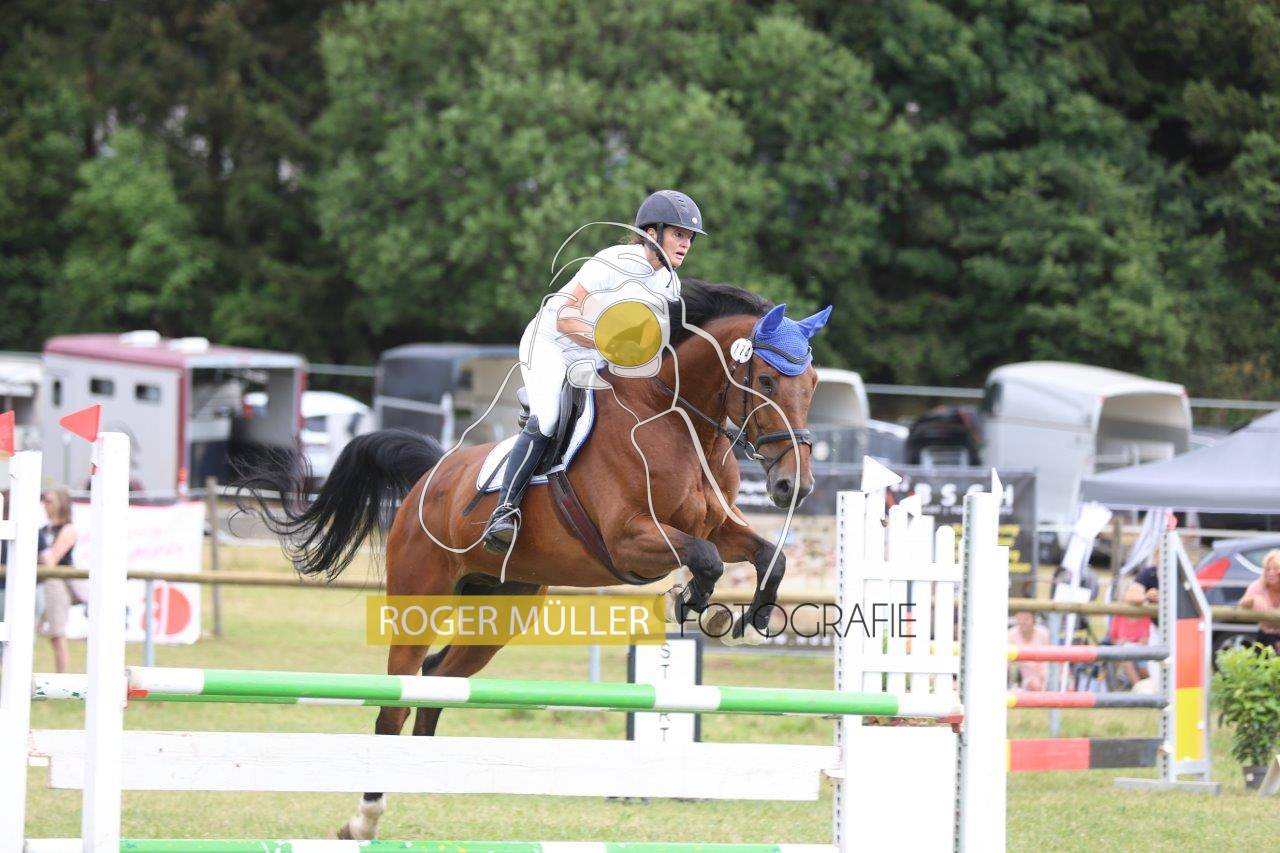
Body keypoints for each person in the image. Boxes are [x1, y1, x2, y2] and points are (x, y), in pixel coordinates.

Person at [482, 189, 706, 554]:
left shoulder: (669, 284)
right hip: (551, 344)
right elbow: (566, 318)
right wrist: (613, 345)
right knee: (549, 418)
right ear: (652, 233)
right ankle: (504, 511)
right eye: (679, 234)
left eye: (690, 237)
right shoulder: (612, 262)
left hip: (596, 356)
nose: (686, 244)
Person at [37, 488, 80, 673]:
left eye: (49, 501)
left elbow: (52, 560)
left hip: (56, 583)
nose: (44, 505)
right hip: (40, 582)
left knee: (57, 634)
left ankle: (62, 678)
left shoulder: (68, 529)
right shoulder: (44, 529)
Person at [1239, 549, 1280, 652]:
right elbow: (1242, 603)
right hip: (1264, 637)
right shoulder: (1258, 586)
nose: (1271, 572)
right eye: (1268, 569)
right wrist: (1252, 601)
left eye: (1276, 568)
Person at [1008, 610, 1050, 691]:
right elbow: (1008, 662)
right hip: (1022, 677)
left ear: (1034, 619)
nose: (1022, 622)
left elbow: (1048, 660)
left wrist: (1043, 677)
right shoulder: (1011, 634)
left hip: (1044, 672)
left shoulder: (1043, 633)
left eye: (1026, 619)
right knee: (1034, 684)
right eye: (1019, 618)